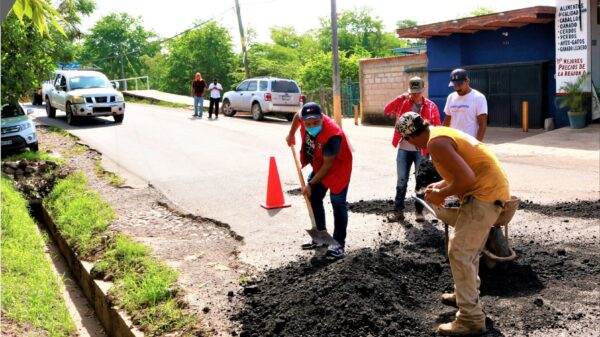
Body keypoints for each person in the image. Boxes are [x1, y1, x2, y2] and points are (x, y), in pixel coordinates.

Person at [396, 111, 510, 336]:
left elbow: (466, 178)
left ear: (408, 138)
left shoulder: (436, 144)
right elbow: (460, 171)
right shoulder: (439, 134)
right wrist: (440, 186)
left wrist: (442, 194)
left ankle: (471, 319)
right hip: (489, 189)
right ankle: (464, 295)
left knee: (459, 251)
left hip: (485, 194)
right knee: (468, 249)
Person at [286, 102, 353, 259]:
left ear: (322, 117)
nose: (311, 126)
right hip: (320, 164)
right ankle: (320, 236)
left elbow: (328, 167)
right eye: (308, 123)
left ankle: (338, 244)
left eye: (316, 122)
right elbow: (297, 116)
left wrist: (310, 184)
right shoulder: (304, 120)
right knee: (314, 198)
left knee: (338, 203)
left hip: (338, 169)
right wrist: (291, 134)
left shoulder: (333, 136)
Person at [383, 76, 441, 222]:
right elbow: (387, 110)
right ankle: (398, 211)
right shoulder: (403, 103)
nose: (415, 95)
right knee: (401, 180)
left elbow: (437, 127)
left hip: (422, 150)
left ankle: (419, 211)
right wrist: (399, 97)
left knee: (420, 181)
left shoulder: (431, 106)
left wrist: (435, 148)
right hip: (404, 148)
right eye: (412, 92)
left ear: (423, 90)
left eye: (417, 92)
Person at [443, 69, 488, 141]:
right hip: (453, 141)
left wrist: (477, 144)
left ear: (467, 81)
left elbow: (482, 124)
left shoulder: (478, 97)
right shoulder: (451, 97)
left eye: (459, 84)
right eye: (454, 85)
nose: (456, 88)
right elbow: (447, 120)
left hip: (470, 142)